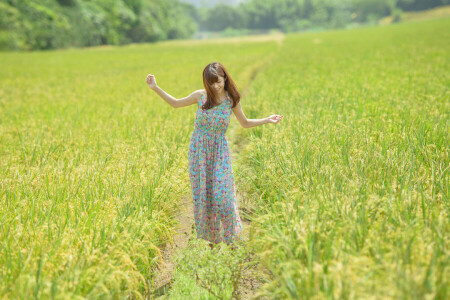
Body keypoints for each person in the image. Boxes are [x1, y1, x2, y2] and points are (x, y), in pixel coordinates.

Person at [146, 62, 283, 251]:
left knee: (224, 198)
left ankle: (232, 239)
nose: (215, 86)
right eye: (210, 83)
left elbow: (244, 122)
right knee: (205, 197)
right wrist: (155, 88)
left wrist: (267, 119)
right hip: (199, 152)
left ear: (224, 78)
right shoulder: (200, 96)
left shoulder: (231, 99)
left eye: (217, 82)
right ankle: (212, 243)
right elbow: (176, 103)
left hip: (219, 151)